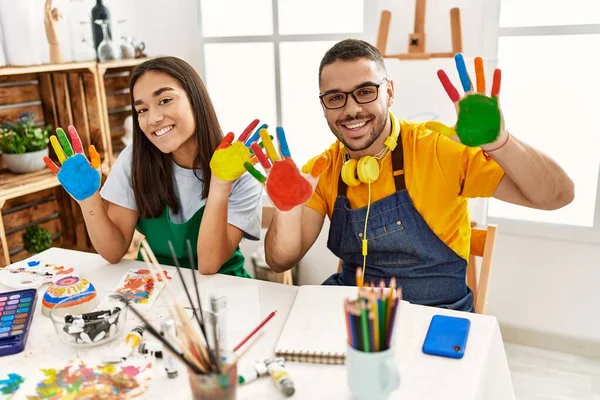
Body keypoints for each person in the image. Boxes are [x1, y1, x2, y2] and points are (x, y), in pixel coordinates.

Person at [261, 39, 574, 311]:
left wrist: (500, 142)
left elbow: (558, 196)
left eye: (365, 91)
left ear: (390, 92)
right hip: (358, 317)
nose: (351, 109)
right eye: (335, 97)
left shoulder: (438, 149)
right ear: (324, 105)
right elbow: (280, 262)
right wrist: (286, 209)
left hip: (437, 314)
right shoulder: (323, 169)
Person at [44, 56, 263, 277]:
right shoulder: (135, 160)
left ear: (196, 100)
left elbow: (208, 265)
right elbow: (113, 251)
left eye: (165, 100)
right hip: (155, 287)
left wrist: (220, 185)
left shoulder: (238, 169)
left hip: (226, 290)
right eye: (142, 110)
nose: (153, 119)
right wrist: (88, 199)